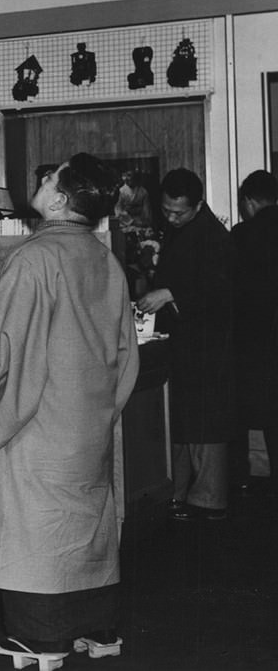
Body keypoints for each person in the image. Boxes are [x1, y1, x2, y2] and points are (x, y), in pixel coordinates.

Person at [0, 153, 139, 667]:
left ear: (59, 199)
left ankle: (41, 639)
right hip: (88, 415)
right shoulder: (104, 258)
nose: (40, 179)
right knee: (88, 526)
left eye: (49, 177)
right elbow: (127, 351)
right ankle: (101, 630)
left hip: (36, 418)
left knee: (34, 528)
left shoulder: (33, 258)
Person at [138, 168, 234, 520]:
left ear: (199, 205)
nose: (171, 218)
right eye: (166, 210)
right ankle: (183, 493)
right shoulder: (187, 229)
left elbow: (222, 292)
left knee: (205, 422)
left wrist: (170, 293)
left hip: (209, 345)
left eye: (179, 212)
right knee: (185, 420)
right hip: (187, 341)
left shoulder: (214, 237)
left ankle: (208, 499)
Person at [228, 169, 278, 497]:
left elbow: (230, 291)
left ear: (247, 202)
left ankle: (241, 479)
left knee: (241, 415)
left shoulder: (242, 237)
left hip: (252, 344)